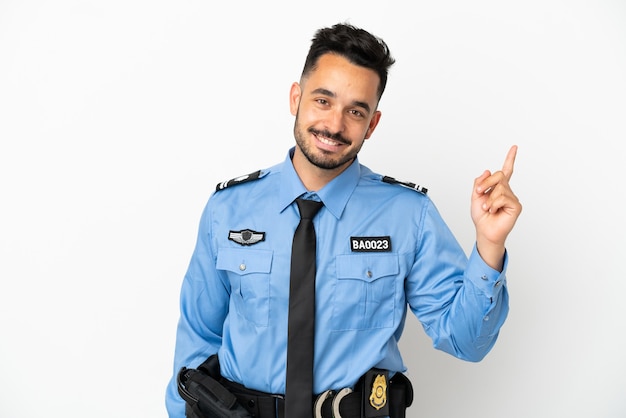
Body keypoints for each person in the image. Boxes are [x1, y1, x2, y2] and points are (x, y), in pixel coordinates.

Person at [165, 22, 522, 418]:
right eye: (323, 101)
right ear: (295, 98)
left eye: (355, 111)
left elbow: (466, 342)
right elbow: (196, 345)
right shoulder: (228, 209)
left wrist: (490, 246)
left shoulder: (408, 215)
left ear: (372, 123)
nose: (335, 125)